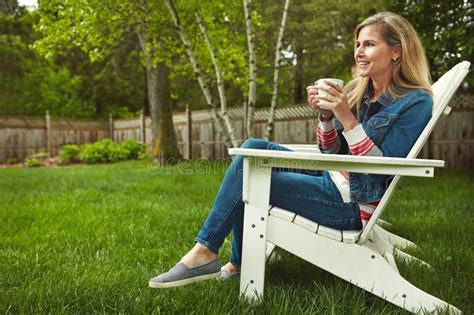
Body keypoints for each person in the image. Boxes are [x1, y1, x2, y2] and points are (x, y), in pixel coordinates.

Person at [149, 11, 433, 288]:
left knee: (250, 177)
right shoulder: (363, 93)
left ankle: (210, 255)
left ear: (396, 52)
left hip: (351, 205)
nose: (359, 51)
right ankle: (223, 258)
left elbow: (378, 170)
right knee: (253, 148)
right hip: (331, 178)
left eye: (369, 44)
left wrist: (346, 117)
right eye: (357, 44)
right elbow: (331, 153)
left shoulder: (415, 102)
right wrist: (326, 116)